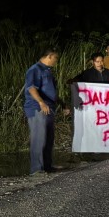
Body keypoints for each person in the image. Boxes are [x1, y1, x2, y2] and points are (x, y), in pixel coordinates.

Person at [23, 46, 69, 175]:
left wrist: (62, 104)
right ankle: (36, 169)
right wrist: (41, 102)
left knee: (49, 138)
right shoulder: (35, 69)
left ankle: (47, 166)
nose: (56, 61)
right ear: (49, 56)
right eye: (55, 58)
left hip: (49, 108)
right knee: (39, 137)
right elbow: (31, 88)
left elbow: (51, 92)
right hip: (37, 108)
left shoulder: (48, 71)